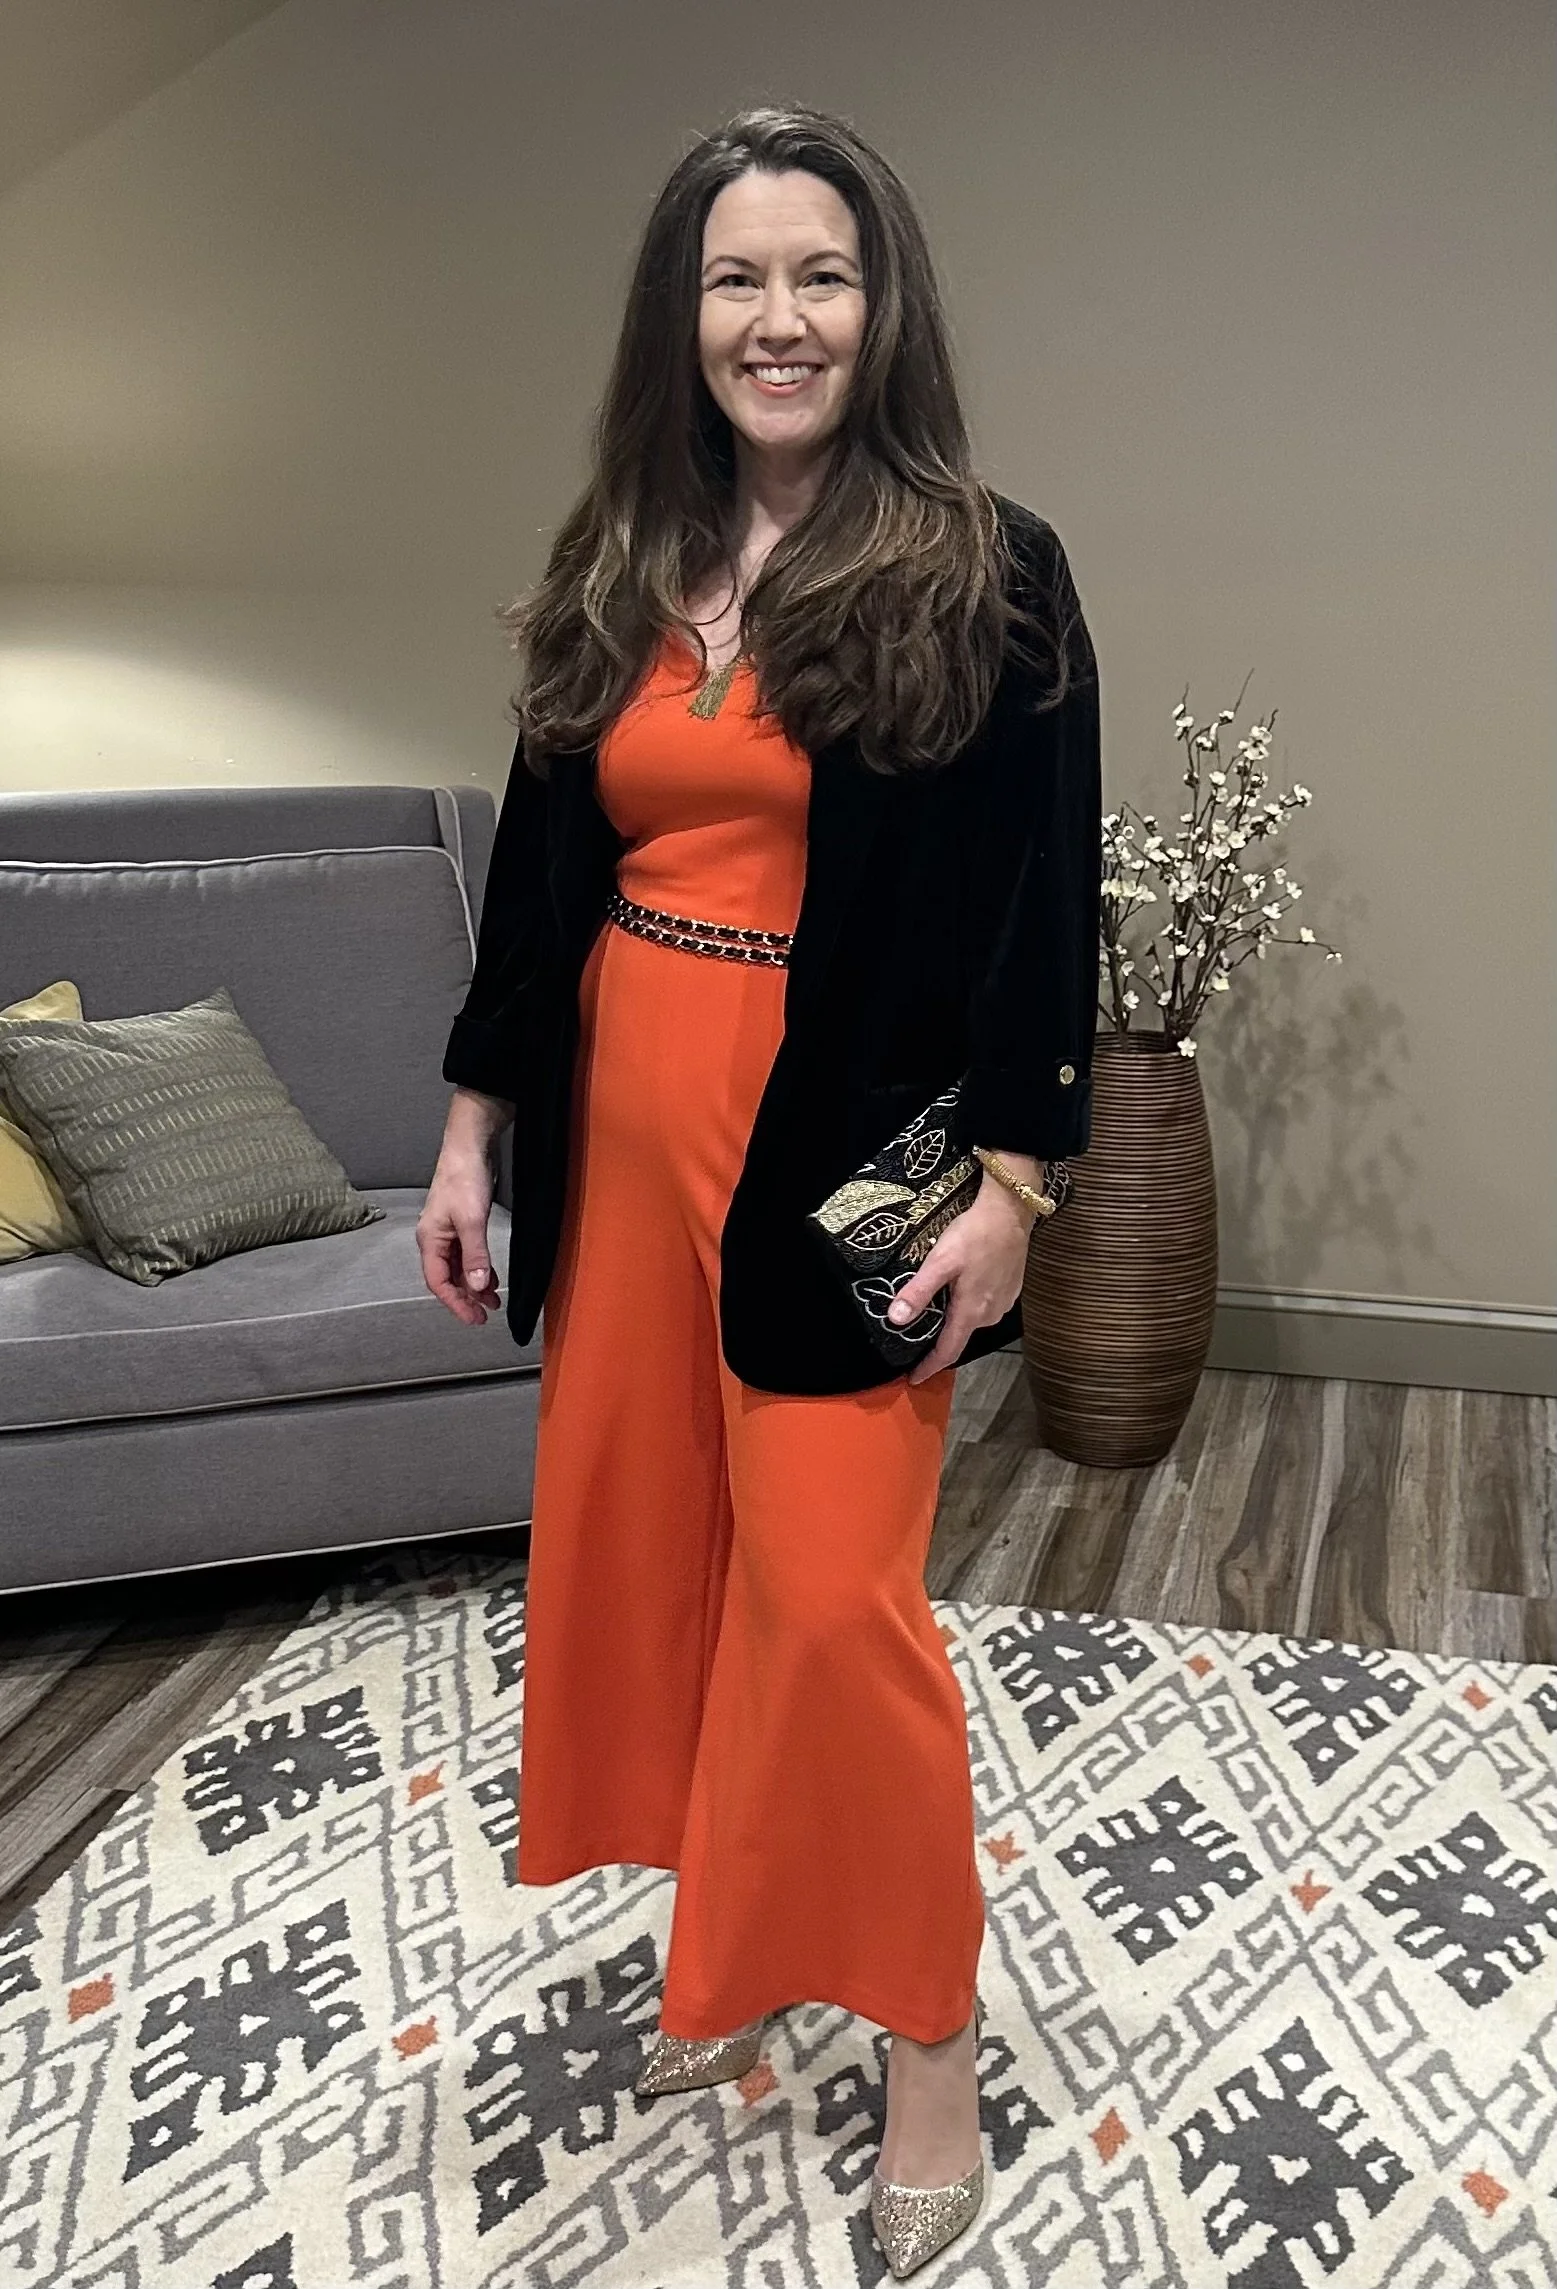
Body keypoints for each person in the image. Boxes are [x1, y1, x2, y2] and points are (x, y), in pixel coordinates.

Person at [417, 102, 1100, 2281]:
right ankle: (727, 1953)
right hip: (626, 1117)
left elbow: (1034, 897)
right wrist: (470, 1126)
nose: (778, 317)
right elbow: (545, 873)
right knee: (677, 1567)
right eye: (737, 278)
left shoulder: (988, 565)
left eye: (819, 274)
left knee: (836, 1601)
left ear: (878, 306)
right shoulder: (622, 551)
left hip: (869, 1152)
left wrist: (1016, 1181)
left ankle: (919, 2023)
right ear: (680, 314)